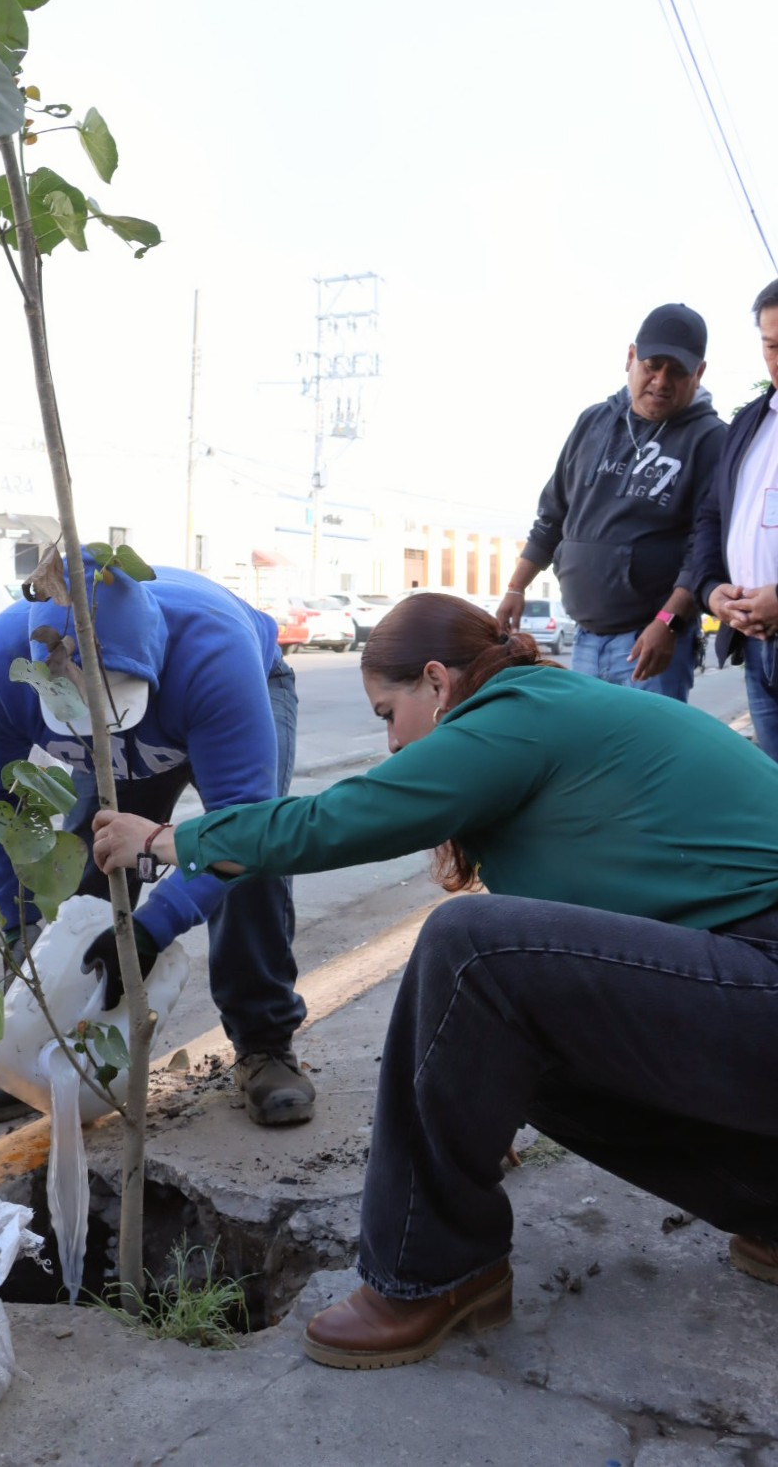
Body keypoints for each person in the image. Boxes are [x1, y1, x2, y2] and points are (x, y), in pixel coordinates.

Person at [93, 591, 778, 1369]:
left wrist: (166, 839)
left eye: (389, 714)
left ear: (437, 681)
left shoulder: (517, 715)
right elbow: (585, 961)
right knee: (515, 1043)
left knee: (467, 944)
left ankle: (429, 1270)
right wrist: (473, 1100)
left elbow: (338, 821)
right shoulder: (548, 721)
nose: (391, 741)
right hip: (748, 983)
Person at [0, 550, 313, 1128]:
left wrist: (153, 928)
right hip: (140, 729)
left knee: (253, 868)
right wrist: (20, 924)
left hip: (229, 695)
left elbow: (242, 827)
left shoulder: (213, 655)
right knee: (88, 862)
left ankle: (264, 1042)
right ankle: (53, 1051)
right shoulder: (0, 668)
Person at [496, 303, 724, 700]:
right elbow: (552, 517)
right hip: (585, 638)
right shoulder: (593, 423)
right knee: (589, 741)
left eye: (677, 371)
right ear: (630, 357)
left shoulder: (711, 440)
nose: (661, 381)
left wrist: (667, 623)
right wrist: (516, 588)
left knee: (646, 741)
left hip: (651, 642)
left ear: (699, 373)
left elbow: (704, 551)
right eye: (652, 365)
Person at [693, 278, 778, 760]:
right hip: (757, 647)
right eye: (772, 346)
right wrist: (711, 590)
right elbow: (712, 516)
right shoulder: (748, 422)